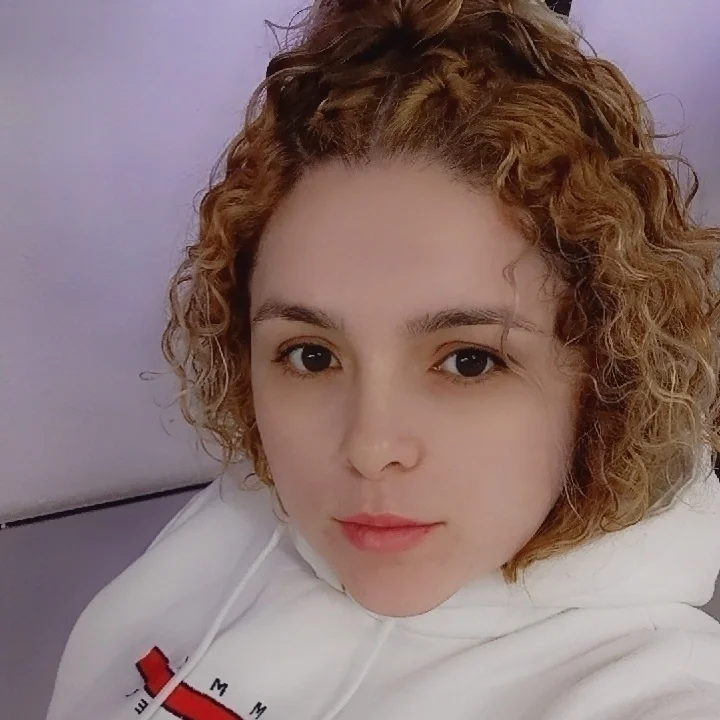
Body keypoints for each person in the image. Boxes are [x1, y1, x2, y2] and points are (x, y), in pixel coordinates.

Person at [47, 1, 720, 718]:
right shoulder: (233, 520)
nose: (369, 449)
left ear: (604, 375)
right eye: (311, 355)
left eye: (468, 362)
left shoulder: (648, 692)